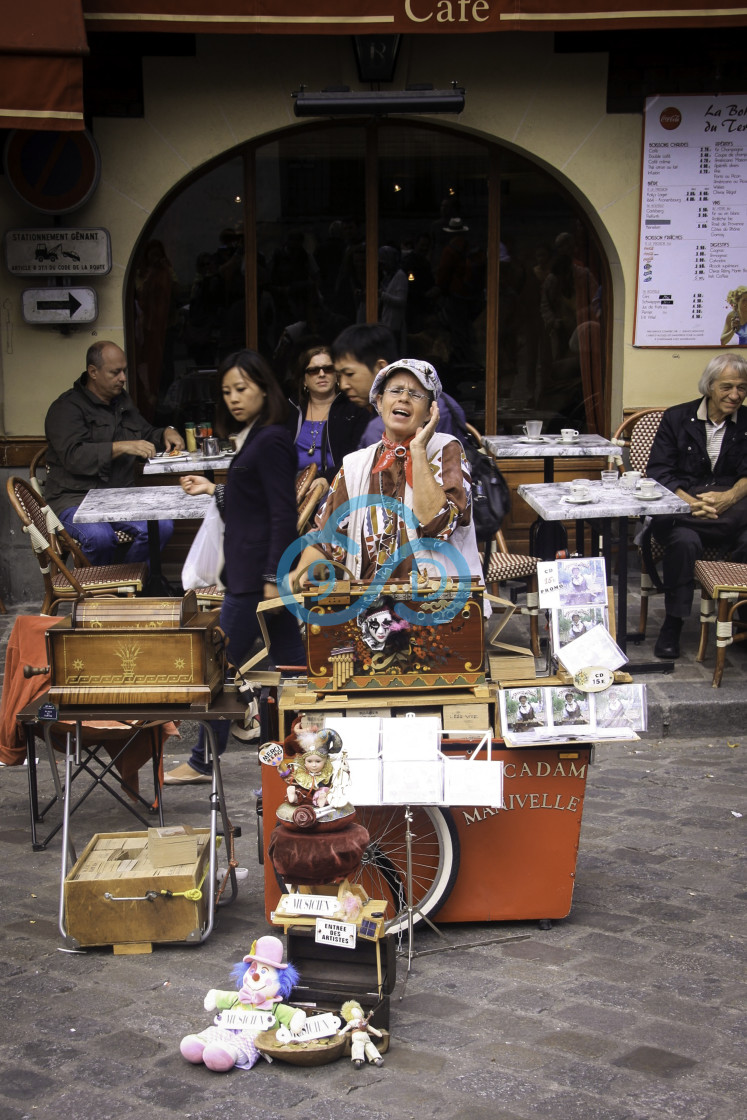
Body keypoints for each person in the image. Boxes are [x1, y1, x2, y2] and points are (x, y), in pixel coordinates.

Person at [165, 349, 304, 784]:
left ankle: (204, 760)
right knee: (293, 667)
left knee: (218, 667)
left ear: (264, 387)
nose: (233, 398)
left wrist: (270, 579)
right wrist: (214, 489)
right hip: (250, 572)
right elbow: (253, 505)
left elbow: (283, 513)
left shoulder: (273, 438)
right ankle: (314, 743)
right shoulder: (257, 435)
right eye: (226, 391)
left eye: (242, 388)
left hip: (254, 578)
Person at [293, 358, 485, 594]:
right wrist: (300, 575)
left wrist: (418, 449)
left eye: (415, 394)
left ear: (429, 412)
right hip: (370, 608)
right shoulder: (356, 464)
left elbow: (438, 526)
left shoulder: (446, 450)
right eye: (395, 391)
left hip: (435, 605)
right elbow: (326, 537)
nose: (403, 398)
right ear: (380, 402)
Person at [44, 340, 184, 565]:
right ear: (93, 372)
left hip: (118, 497)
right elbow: (74, 457)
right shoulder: (65, 409)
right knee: (99, 537)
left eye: (124, 371)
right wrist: (122, 447)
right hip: (73, 499)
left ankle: (127, 586)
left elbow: (145, 433)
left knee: (162, 526)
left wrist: (166, 432)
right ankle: (99, 595)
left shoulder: (122, 402)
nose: (123, 378)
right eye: (115, 372)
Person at [647, 352, 747, 659]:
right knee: (683, 541)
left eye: (742, 388)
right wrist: (690, 505)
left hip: (733, 510)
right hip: (687, 512)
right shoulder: (676, 418)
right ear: (709, 385)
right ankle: (673, 624)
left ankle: (740, 618)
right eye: (727, 386)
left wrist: (729, 497)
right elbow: (659, 472)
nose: (735, 395)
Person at [330, 323, 467, 447]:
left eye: (349, 374)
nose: (343, 385)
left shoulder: (427, 412)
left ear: (380, 367)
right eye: (339, 376)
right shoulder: (439, 400)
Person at [285, 343, 368, 481]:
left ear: (337, 375)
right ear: (304, 380)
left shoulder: (354, 412)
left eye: (328, 369)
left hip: (335, 487)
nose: (321, 374)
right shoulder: (290, 410)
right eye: (313, 370)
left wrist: (325, 479)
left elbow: (359, 461)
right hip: (288, 486)